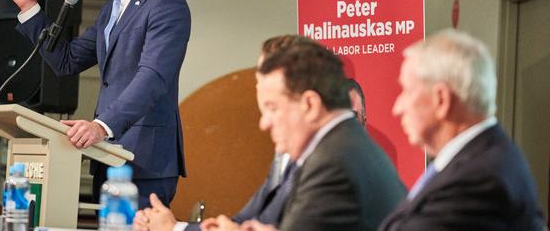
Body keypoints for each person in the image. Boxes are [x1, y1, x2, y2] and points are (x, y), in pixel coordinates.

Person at [0, 0, 191, 208]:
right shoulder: (111, 10)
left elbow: (152, 77)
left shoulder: (167, 3)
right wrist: (29, 8)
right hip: (107, 158)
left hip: (145, 162)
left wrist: (102, 126)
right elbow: (67, 61)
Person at [146, 39, 406, 231]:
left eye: (272, 108)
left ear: (310, 105)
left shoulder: (334, 162)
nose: (264, 123)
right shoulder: (342, 145)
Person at [133, 35, 309, 231]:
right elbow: (242, 220)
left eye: (263, 76)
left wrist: (173, 228)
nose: (264, 123)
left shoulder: (322, 160)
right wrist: (173, 225)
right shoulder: (284, 155)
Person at [378, 29, 544, 230]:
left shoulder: (480, 180)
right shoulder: (480, 158)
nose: (398, 107)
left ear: (442, 100)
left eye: (407, 91)